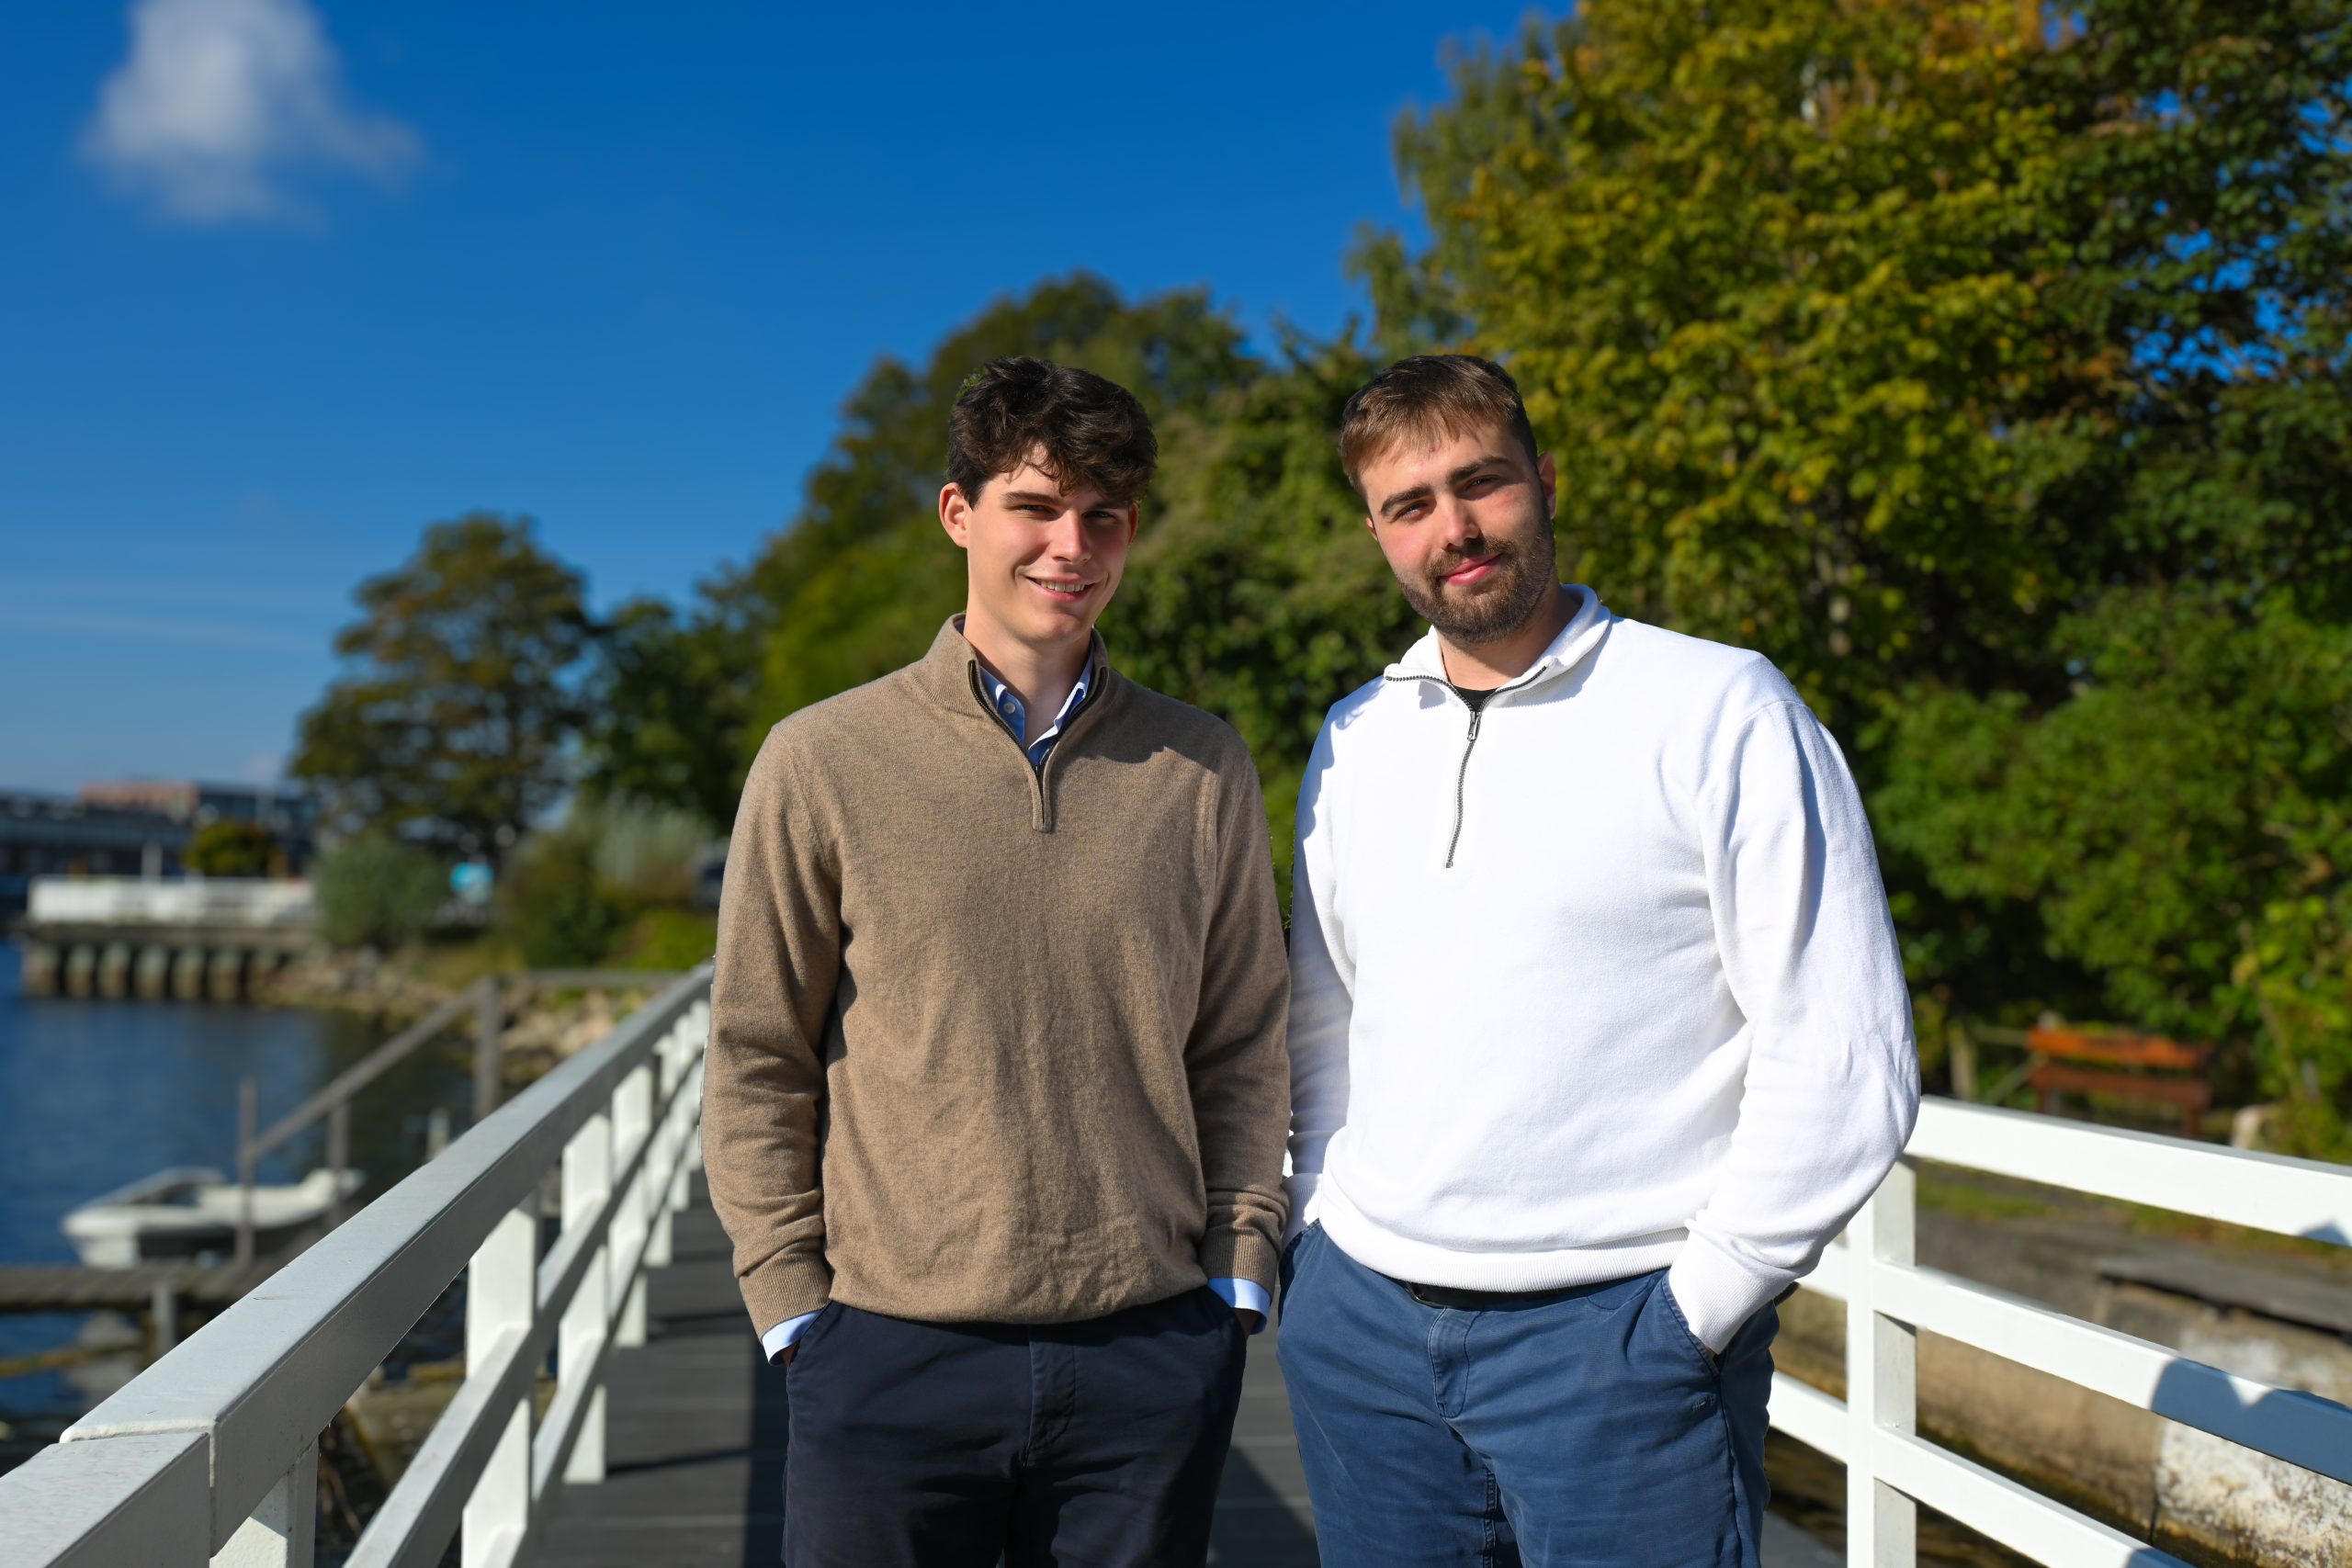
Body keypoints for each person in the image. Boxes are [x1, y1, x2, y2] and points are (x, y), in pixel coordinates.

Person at [1279, 354, 1919, 1568]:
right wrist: (1316, 1250)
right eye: (1409, 506)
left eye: (1482, 485)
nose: (1453, 531)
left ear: (1546, 480)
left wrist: (1696, 1313)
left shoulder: (1720, 708)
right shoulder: (1354, 741)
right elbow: (1324, 1021)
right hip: (1365, 1340)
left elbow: (1847, 1054)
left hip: (1618, 1343)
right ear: (1376, 533)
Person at [701, 355, 1290, 1568]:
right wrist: (790, 1303)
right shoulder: (822, 761)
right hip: (883, 1356)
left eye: (1104, 516)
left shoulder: (1201, 767)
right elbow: (758, 1050)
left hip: (1148, 1358)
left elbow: (1242, 1037)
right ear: (959, 513)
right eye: (1035, 505)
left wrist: (1238, 1268)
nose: (1070, 544)